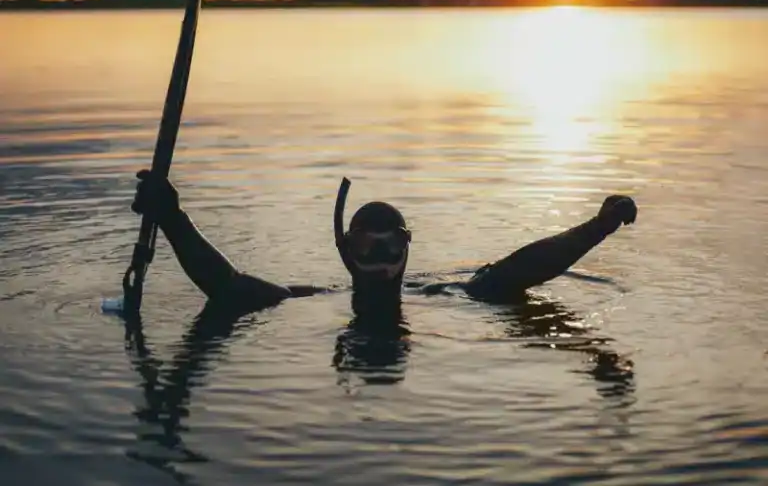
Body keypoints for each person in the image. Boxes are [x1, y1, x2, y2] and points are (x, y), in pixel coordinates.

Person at [130, 170, 637, 313]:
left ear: (407, 251)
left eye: (390, 249)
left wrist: (596, 227)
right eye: (366, 250)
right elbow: (229, 285)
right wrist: (172, 219)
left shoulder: (453, 296)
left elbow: (521, 267)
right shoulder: (300, 301)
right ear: (346, 251)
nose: (379, 260)